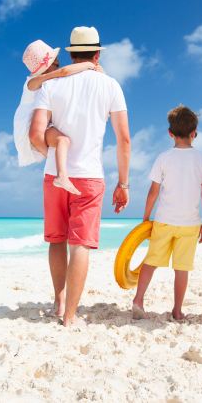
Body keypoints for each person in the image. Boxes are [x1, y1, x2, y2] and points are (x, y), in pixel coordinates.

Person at [30, 26, 131, 327]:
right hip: (89, 177)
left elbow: (37, 134)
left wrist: (50, 155)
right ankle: (70, 317)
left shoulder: (50, 84)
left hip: (54, 174)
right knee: (80, 246)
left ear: (71, 54)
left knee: (56, 241)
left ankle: (58, 302)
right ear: (97, 54)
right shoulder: (110, 85)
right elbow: (124, 140)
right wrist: (123, 183)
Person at [132, 105, 202, 321]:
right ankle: (177, 310)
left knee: (151, 261)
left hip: (164, 221)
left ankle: (138, 300)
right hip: (190, 224)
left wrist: (145, 218)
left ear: (170, 133)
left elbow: (153, 191)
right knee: (182, 268)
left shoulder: (163, 158)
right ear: (194, 133)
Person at [14, 39, 102, 195]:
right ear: (47, 67)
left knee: (62, 142)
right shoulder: (31, 83)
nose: (59, 66)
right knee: (63, 140)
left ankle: (61, 174)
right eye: (56, 64)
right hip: (28, 127)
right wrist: (89, 65)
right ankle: (62, 176)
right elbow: (64, 72)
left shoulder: (47, 83)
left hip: (39, 124)